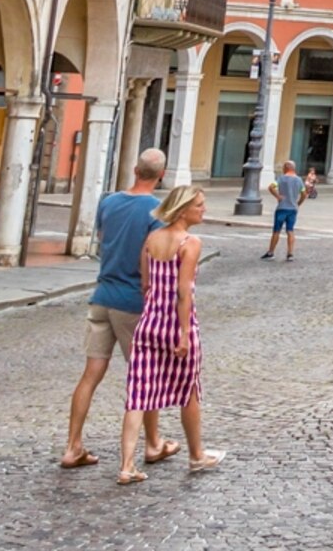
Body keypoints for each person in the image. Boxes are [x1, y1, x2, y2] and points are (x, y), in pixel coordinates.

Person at [64, 148, 173, 471]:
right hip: (132, 301)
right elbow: (151, 256)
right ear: (161, 176)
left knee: (90, 374)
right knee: (145, 377)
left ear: (135, 170)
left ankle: (72, 446)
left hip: (102, 295)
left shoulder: (109, 202)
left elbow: (102, 238)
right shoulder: (157, 211)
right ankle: (153, 444)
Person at [116, 186, 221, 483]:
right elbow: (183, 292)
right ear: (183, 209)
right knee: (189, 389)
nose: (204, 209)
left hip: (148, 324)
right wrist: (185, 333)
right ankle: (196, 455)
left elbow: (146, 285)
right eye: (199, 205)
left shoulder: (152, 239)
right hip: (175, 326)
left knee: (137, 396)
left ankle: (126, 466)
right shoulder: (190, 242)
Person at [263, 161, 305, 261]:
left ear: (286, 167)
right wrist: (298, 203)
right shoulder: (299, 180)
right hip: (293, 209)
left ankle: (271, 252)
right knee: (290, 230)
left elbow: (271, 187)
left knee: (276, 230)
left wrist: (278, 196)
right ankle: (290, 253)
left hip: (282, 208)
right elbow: (304, 193)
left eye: (283, 167)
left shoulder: (281, 178)